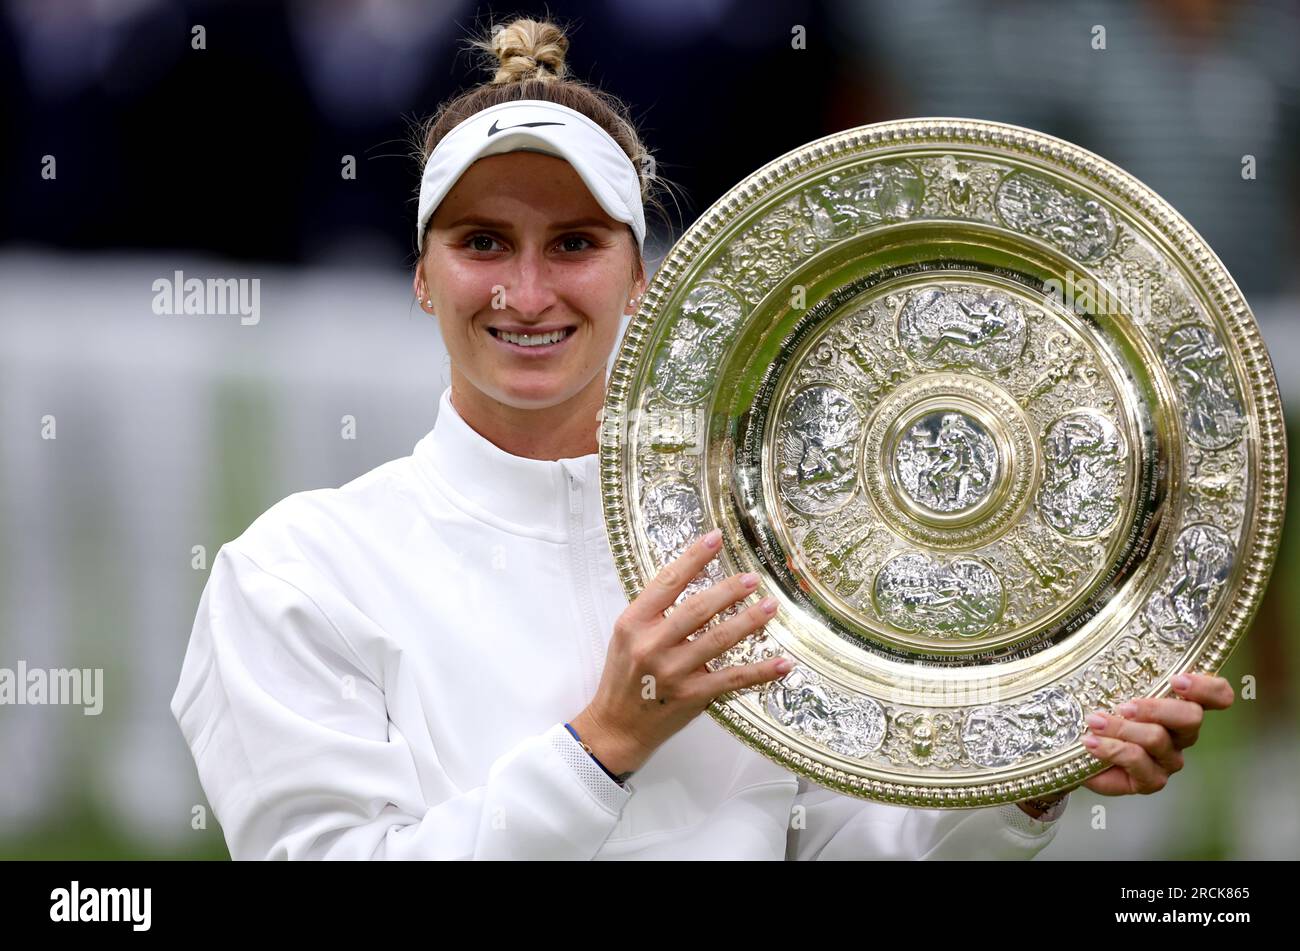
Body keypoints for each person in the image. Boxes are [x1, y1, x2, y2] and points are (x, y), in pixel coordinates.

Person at [169, 16, 1234, 861]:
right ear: (421, 275)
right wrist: (606, 746)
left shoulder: (759, 549)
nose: (527, 292)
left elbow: (847, 852)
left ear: (641, 277)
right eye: (482, 242)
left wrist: (1030, 780)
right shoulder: (295, 573)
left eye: (575, 244)